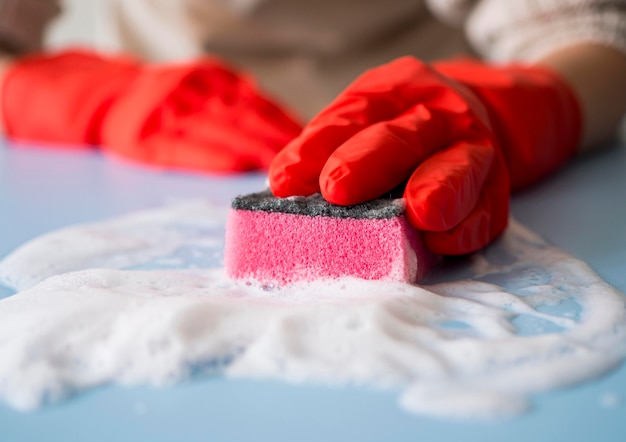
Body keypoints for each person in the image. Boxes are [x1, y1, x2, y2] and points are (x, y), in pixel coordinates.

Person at [0, 0, 625, 255]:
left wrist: (530, 105)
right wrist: (74, 96)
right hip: (157, 141)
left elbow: (591, 30)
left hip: (414, 131)